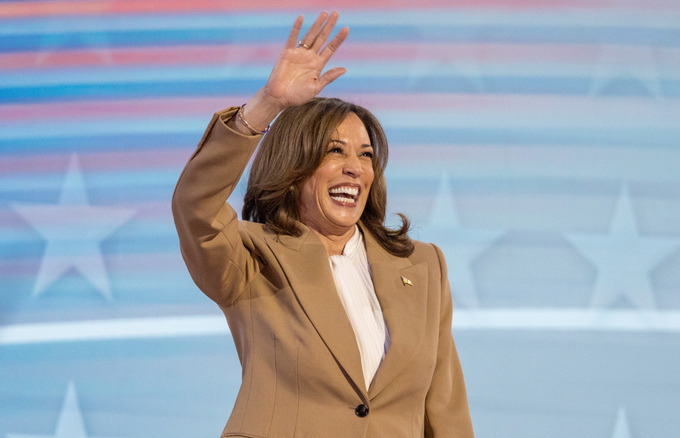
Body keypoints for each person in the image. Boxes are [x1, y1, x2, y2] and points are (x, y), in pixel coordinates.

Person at [172, 11, 473, 438]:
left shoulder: (423, 266)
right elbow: (195, 207)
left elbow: (444, 410)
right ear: (294, 167)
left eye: (365, 155)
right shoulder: (251, 257)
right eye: (335, 151)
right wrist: (266, 105)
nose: (355, 168)